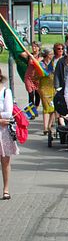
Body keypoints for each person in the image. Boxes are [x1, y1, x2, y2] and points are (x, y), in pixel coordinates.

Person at [0, 69, 19, 200]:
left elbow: (8, 113)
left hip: (3, 132)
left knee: (5, 161)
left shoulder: (6, 92)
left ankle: (6, 189)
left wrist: (2, 119)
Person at [38, 48, 57, 135]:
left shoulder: (53, 63)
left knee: (53, 108)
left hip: (52, 87)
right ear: (46, 55)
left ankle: (49, 126)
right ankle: (45, 127)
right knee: (46, 107)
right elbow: (40, 74)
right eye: (50, 54)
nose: (52, 55)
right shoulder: (41, 64)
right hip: (44, 88)